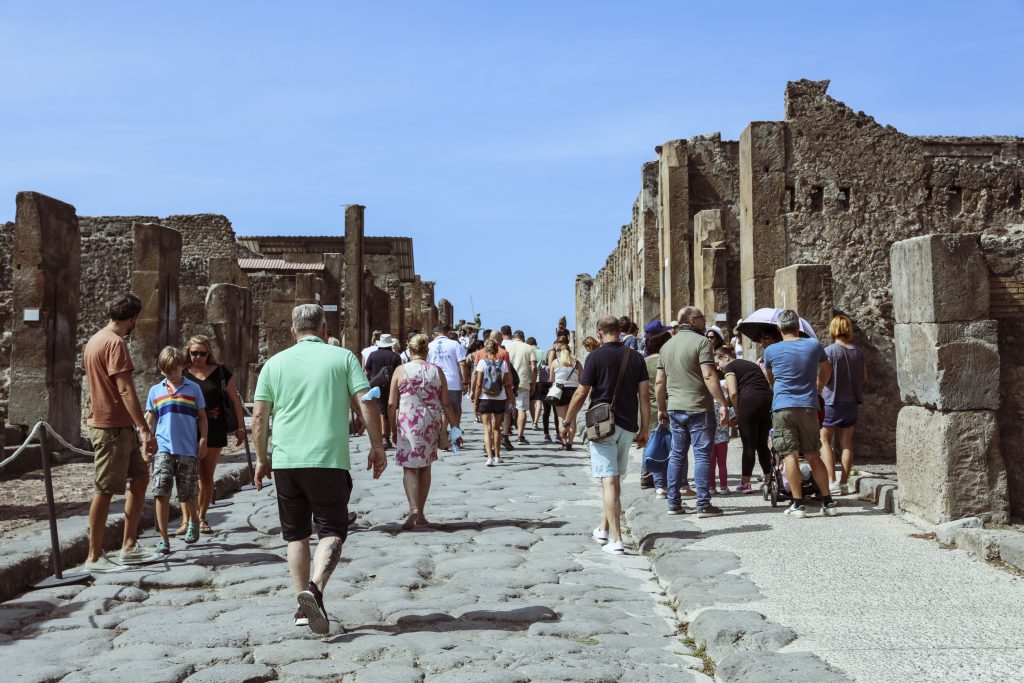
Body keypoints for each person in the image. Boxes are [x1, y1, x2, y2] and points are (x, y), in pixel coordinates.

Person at [253, 304, 388, 634]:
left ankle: (303, 608)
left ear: (292, 332)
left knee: (295, 535)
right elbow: (366, 401)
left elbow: (259, 417)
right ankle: (314, 590)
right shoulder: (341, 358)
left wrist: (261, 458)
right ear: (325, 329)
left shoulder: (274, 364)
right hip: (327, 460)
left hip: (286, 461)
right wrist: (377, 445)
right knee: (331, 530)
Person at [562, 316, 649, 555]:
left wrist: (568, 420)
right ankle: (603, 528)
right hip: (628, 425)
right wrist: (644, 429)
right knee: (614, 480)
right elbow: (643, 396)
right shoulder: (636, 357)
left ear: (600, 333)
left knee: (608, 481)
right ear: (620, 332)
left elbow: (581, 393)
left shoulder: (595, 357)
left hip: (602, 425)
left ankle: (616, 539)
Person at [82, 294, 154, 571]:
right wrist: (144, 427)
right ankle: (94, 556)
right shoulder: (115, 343)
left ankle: (129, 545)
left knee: (139, 478)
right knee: (104, 490)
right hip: (111, 426)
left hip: (116, 425)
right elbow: (124, 389)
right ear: (133, 317)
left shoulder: (95, 339)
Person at [762, 309, 837, 518]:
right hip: (808, 405)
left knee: (790, 455)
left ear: (779, 329)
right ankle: (828, 502)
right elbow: (826, 368)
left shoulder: (771, 351)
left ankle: (797, 504)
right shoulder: (813, 345)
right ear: (798, 327)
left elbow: (770, 378)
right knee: (813, 454)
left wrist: (778, 388)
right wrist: (819, 386)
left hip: (783, 406)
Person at [656, 306, 729, 517]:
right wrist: (722, 402)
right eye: (702, 319)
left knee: (677, 455)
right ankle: (703, 504)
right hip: (699, 407)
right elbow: (708, 375)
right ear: (693, 321)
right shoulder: (702, 342)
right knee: (702, 455)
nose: (704, 323)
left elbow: (660, 381)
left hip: (675, 407)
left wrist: (662, 408)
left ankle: (674, 503)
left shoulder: (667, 346)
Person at [388, 333, 460, 530]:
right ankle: (421, 511)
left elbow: (392, 403)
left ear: (409, 350)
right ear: (426, 350)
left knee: (410, 467)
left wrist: (392, 429)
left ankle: (413, 508)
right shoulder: (437, 371)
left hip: (407, 423)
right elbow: (445, 403)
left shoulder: (400, 371)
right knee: (426, 466)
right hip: (430, 423)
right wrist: (455, 428)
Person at [145, 346, 208, 553]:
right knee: (161, 492)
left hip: (187, 448)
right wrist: (145, 440)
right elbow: (151, 418)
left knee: (187, 493)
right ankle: (164, 537)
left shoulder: (193, 389)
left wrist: (203, 439)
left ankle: (193, 521)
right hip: (163, 447)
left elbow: (202, 417)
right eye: (166, 370)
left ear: (183, 366)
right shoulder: (156, 391)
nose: (171, 374)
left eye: (174, 369)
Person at [184, 335, 246, 535]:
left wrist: (241, 427)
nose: (198, 357)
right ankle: (186, 520)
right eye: (194, 353)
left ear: (209, 352)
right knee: (186, 476)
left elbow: (235, 401)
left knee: (206, 475)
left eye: (202, 353)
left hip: (214, 427)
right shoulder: (182, 373)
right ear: (188, 353)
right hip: (186, 429)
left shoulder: (220, 372)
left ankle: (201, 517)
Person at [820, 314, 867, 495]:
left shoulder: (829, 351)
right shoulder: (858, 352)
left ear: (833, 329)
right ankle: (845, 483)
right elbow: (864, 377)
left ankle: (832, 481)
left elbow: (824, 377)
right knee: (847, 443)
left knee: (824, 440)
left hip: (831, 401)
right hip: (851, 402)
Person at [715, 345, 773, 494]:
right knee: (762, 443)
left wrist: (737, 413)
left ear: (726, 357)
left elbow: (733, 393)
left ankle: (745, 483)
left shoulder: (730, 367)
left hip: (750, 401)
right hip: (767, 399)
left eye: (717, 363)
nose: (718, 367)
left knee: (748, 444)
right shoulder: (750, 364)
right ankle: (769, 479)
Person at [472, 338, 514, 465]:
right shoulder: (503, 364)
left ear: (486, 349)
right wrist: (511, 398)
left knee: (487, 428)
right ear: (497, 349)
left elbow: (479, 384)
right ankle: (497, 456)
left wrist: (475, 401)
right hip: (500, 398)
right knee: (497, 428)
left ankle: (489, 458)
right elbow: (507, 383)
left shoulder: (482, 363)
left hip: (485, 398)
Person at [641, 330, 672, 497]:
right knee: (667, 445)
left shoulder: (643, 362)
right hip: (664, 405)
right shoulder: (665, 360)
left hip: (647, 407)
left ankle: (646, 475)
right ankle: (664, 482)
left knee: (651, 443)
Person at [427, 324, 470, 439]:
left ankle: (442, 433)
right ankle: (455, 434)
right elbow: (462, 364)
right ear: (448, 333)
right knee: (455, 409)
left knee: (441, 409)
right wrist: (465, 382)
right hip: (453, 382)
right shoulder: (455, 344)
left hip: (435, 381)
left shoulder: (429, 345)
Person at [365, 333, 403, 450]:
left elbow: (367, 372)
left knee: (381, 412)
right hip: (391, 386)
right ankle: (391, 435)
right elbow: (399, 373)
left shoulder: (372, 355)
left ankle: (383, 437)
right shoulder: (395, 356)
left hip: (376, 387)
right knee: (391, 410)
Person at [502, 328, 537, 446]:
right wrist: (533, 383)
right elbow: (534, 367)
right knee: (522, 409)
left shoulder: (506, 347)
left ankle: (504, 433)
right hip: (523, 381)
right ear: (523, 337)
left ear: (514, 337)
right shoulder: (529, 348)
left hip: (508, 381)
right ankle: (520, 436)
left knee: (506, 408)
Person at [549, 342, 583, 450]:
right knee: (572, 419)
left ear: (559, 352)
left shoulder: (555, 362)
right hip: (574, 392)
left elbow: (551, 379)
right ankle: (570, 443)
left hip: (560, 392)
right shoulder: (577, 363)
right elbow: (581, 380)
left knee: (561, 419)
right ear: (570, 351)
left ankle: (563, 441)